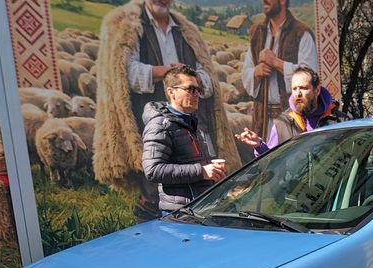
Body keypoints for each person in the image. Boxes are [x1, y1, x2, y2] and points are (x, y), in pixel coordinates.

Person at [95, 0, 239, 219]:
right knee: (157, 191)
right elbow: (122, 74)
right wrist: (166, 73)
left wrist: (191, 81)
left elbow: (208, 80)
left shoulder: (186, 31)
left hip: (191, 123)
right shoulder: (127, 26)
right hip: (154, 120)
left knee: (203, 191)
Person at [142, 67, 226, 214]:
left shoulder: (190, 122)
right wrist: (201, 171)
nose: (197, 95)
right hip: (180, 214)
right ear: (171, 92)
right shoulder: (160, 125)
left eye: (198, 90)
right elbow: (153, 170)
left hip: (198, 209)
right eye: (191, 89)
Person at [241, 0, 318, 142]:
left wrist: (276, 62)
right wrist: (256, 72)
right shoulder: (257, 32)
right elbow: (246, 74)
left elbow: (310, 75)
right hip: (263, 121)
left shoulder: (301, 33)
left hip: (293, 120)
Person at [236, 66, 344, 158]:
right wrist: (259, 146)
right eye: (294, 88)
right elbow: (273, 159)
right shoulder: (282, 124)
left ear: (317, 90)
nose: (298, 93)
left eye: (303, 88)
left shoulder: (338, 121)